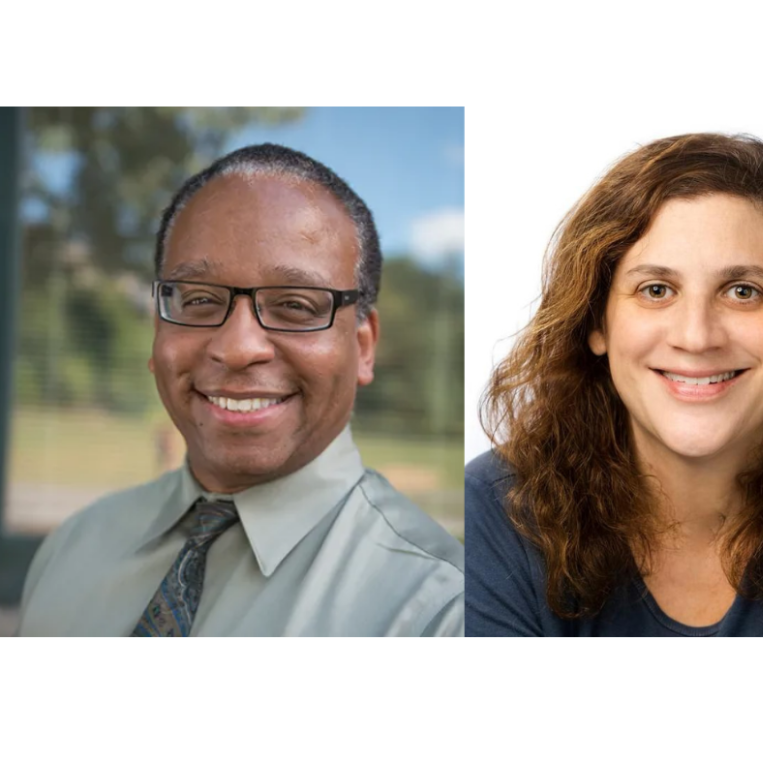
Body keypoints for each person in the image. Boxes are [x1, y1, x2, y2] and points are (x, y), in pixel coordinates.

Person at [466, 133, 763, 638]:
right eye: (656, 290)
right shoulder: (495, 512)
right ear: (597, 321)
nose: (696, 336)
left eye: (743, 291)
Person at [17, 143, 465, 638]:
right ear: (157, 335)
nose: (237, 347)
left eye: (295, 304)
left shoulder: (441, 610)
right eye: (201, 300)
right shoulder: (74, 545)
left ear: (363, 347)